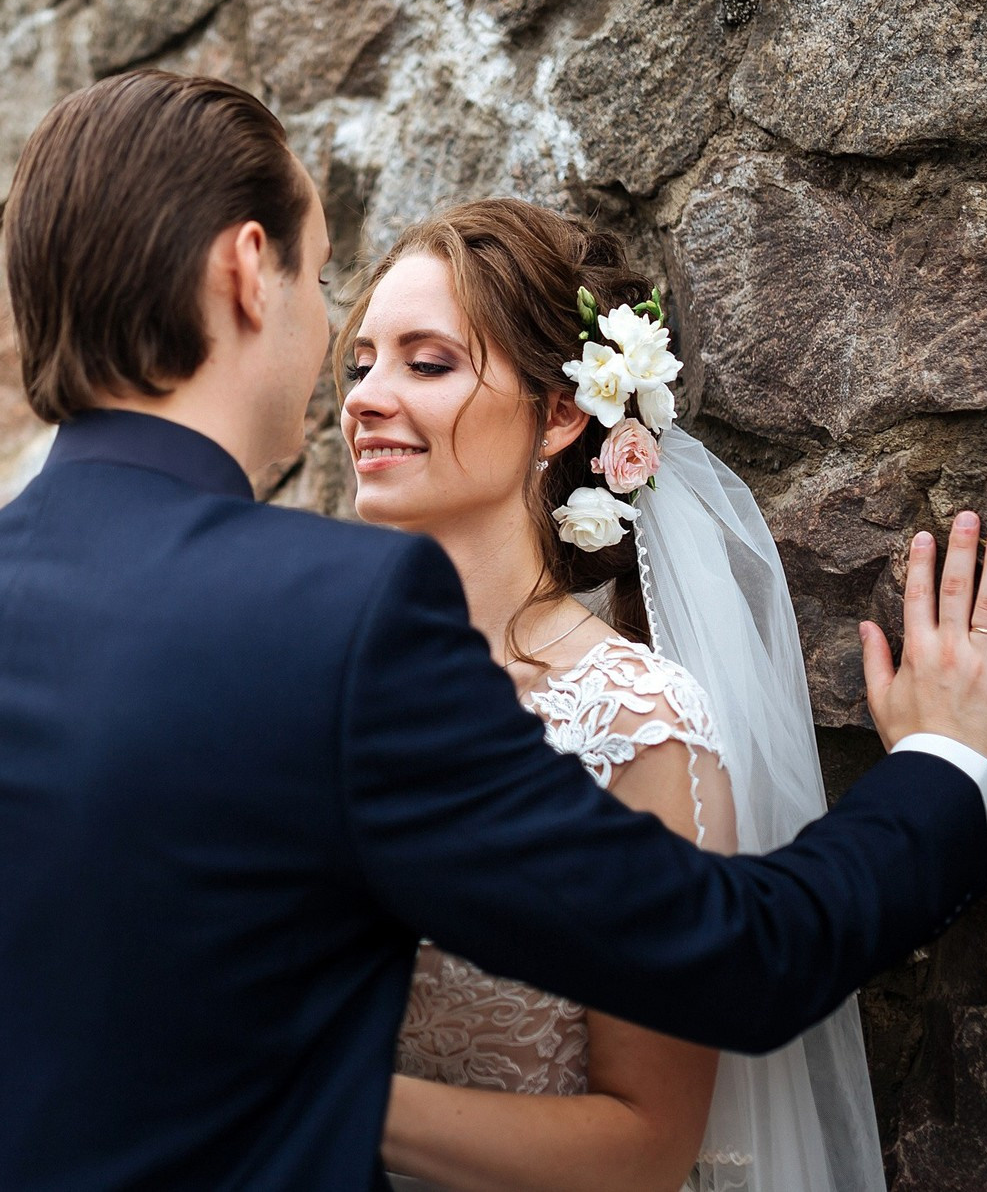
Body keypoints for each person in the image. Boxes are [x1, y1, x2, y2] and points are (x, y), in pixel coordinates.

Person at [0, 70, 987, 1190]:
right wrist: (941, 772)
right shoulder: (336, 617)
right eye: (316, 286)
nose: (344, 376)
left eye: (421, 359)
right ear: (249, 270)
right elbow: (738, 955)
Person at [343, 201, 896, 1192]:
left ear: (558, 413)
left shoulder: (632, 719)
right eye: (360, 363)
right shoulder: (327, 673)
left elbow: (646, 1147)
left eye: (424, 364)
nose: (366, 398)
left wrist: (324, 1093)